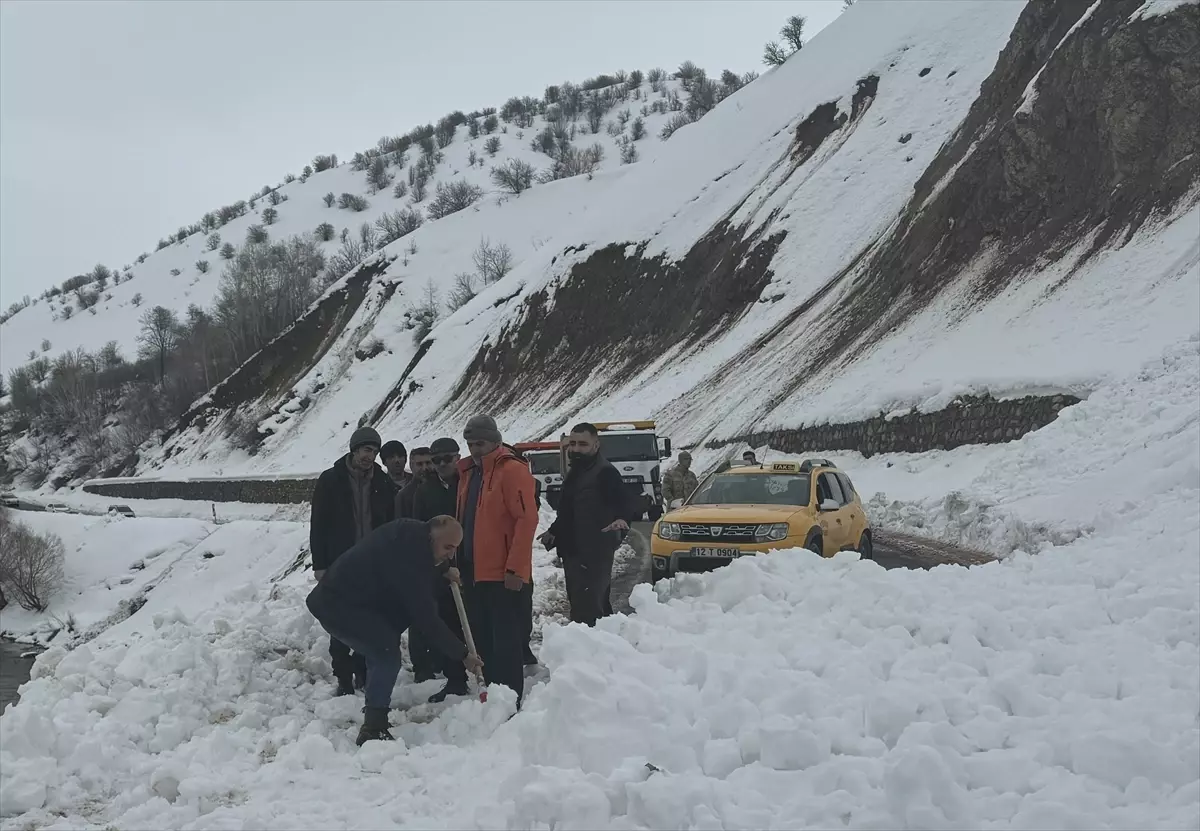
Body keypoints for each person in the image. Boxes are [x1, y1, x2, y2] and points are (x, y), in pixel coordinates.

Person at [306, 516, 483, 745]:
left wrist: (444, 570)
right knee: (386, 653)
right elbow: (426, 619)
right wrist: (463, 655)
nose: (451, 554)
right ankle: (373, 727)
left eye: (454, 549)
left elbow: (418, 574)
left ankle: (373, 707)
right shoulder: (411, 558)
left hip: (352, 600)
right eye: (447, 548)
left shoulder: (411, 533)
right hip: (339, 605)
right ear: (431, 536)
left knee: (383, 643)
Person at [310, 426, 397, 695]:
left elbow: (391, 524)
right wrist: (320, 564)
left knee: (368, 619)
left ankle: (363, 670)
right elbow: (318, 525)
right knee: (339, 620)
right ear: (354, 449)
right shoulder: (331, 480)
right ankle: (343, 675)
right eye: (365, 450)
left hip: (372, 564)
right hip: (339, 562)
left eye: (374, 452)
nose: (369, 456)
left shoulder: (383, 484)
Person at [458, 415, 538, 709]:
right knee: (483, 638)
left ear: (494, 440)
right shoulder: (470, 473)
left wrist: (516, 568)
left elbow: (526, 519)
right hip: (475, 570)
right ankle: (492, 692)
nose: (475, 449)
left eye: (479, 443)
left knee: (505, 640)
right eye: (470, 444)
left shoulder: (511, 470)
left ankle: (510, 698)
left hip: (503, 573)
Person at [540, 423, 638, 626]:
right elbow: (569, 511)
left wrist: (621, 520)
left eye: (582, 444)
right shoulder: (576, 472)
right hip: (573, 551)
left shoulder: (605, 473)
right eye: (572, 444)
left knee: (590, 607)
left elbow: (624, 503)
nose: (576, 449)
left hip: (595, 551)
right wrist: (554, 531)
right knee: (584, 603)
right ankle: (602, 646)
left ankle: (593, 651)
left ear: (596, 445)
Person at [395, 446, 433, 519]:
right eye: (419, 464)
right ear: (411, 466)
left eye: (428, 463)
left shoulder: (444, 487)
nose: (425, 468)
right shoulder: (403, 496)